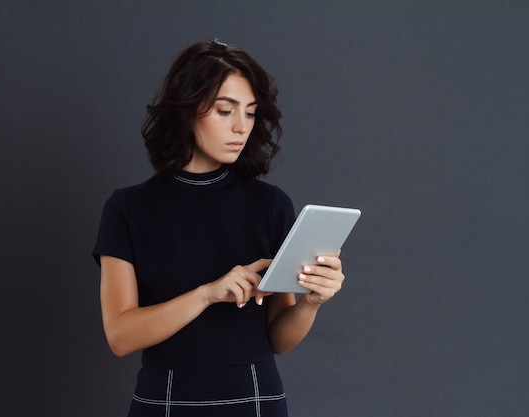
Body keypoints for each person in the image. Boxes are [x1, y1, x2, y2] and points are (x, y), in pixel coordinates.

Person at [93, 39, 345, 417]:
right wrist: (207, 294)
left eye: (250, 112)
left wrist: (311, 302)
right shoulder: (128, 208)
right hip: (164, 402)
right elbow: (120, 336)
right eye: (225, 110)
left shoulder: (271, 206)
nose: (240, 127)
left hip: (256, 401)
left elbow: (278, 337)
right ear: (187, 109)